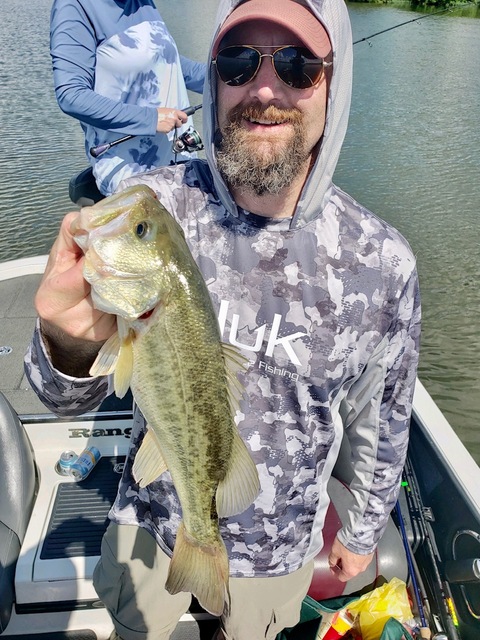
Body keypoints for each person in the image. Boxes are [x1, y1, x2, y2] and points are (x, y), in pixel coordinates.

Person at [26, 0, 421, 638]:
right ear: (211, 80)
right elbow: (57, 395)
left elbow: (383, 420)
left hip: (281, 548)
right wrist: (66, 343)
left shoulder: (382, 265)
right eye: (238, 62)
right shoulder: (155, 207)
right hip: (151, 523)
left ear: (335, 82)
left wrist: (363, 527)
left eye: (297, 65)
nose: (264, 87)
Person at [50, 0, 206, 196]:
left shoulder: (143, 3)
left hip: (181, 166)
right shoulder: (76, 6)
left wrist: (232, 75)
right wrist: (149, 119)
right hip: (132, 180)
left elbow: (166, 63)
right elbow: (71, 95)